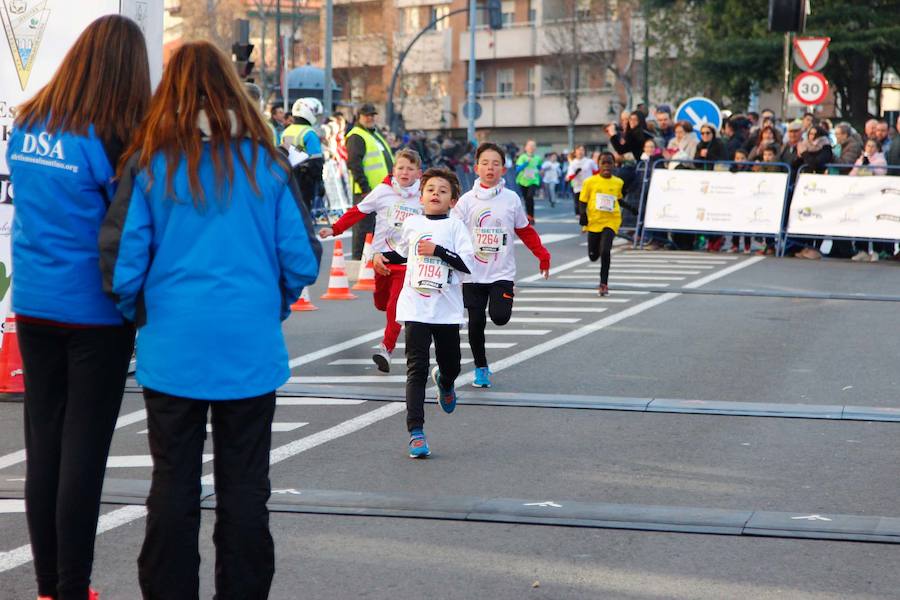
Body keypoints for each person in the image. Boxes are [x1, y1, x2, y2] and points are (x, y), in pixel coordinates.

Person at [99, 41, 322, 599]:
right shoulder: (266, 164)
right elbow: (301, 258)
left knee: (172, 483)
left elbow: (121, 265)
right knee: (245, 488)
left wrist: (142, 314)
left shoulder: (151, 163)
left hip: (171, 347)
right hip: (249, 347)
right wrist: (271, 305)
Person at [5, 15, 150, 600]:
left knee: (43, 445)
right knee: (83, 451)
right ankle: (72, 587)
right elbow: (131, 226)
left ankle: (47, 586)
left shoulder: (30, 120)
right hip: (94, 309)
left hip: (34, 302)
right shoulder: (116, 134)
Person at [376, 168, 474, 458]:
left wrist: (440, 251)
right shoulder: (413, 223)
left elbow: (468, 264)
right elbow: (406, 253)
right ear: (421, 197)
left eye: (443, 191)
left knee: (452, 364)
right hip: (416, 307)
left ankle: (445, 382)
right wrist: (382, 257)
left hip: (446, 310)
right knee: (416, 368)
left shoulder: (456, 227)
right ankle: (416, 432)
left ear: (453, 201)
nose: (435, 194)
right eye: (431, 189)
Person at [454, 142, 551, 388]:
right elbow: (451, 231)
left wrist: (542, 255)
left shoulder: (511, 199)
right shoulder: (466, 201)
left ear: (503, 170)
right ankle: (481, 368)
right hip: (472, 273)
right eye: (485, 163)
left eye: (495, 164)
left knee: (499, 317)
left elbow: (525, 231)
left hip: (501, 273)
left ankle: (503, 301)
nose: (490, 168)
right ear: (476, 168)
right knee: (476, 323)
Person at [320, 149, 423, 372]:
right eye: (401, 168)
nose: (405, 172)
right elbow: (358, 211)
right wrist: (335, 228)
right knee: (382, 303)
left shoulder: (423, 195)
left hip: (408, 263)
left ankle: (385, 348)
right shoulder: (383, 191)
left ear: (419, 173)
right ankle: (386, 319)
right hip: (381, 259)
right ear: (394, 170)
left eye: (410, 169)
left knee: (396, 307)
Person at [346, 103, 394, 259]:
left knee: (375, 228)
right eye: (367, 115)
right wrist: (364, 187)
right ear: (359, 116)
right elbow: (354, 164)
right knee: (363, 228)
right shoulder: (357, 135)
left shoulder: (373, 134)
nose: (370, 118)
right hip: (366, 191)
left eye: (372, 115)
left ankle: (370, 260)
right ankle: (359, 260)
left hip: (380, 190)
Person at [579, 153, 624, 296]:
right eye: (603, 163)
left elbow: (618, 199)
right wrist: (583, 215)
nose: (606, 166)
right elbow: (582, 201)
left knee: (605, 251)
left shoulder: (618, 182)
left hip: (611, 220)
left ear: (614, 165)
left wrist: (630, 208)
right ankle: (596, 249)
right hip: (594, 222)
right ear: (598, 165)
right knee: (593, 256)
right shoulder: (590, 182)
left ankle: (603, 283)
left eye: (609, 163)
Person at [281, 98, 324, 211]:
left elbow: (285, 152)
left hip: (288, 178)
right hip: (305, 181)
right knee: (304, 213)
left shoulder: (287, 131)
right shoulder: (309, 133)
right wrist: (320, 183)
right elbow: (316, 162)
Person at [515, 139, 543, 223]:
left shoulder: (538, 158)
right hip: (523, 181)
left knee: (530, 197)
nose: (531, 147)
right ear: (525, 147)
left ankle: (531, 216)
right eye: (529, 145)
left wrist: (541, 171)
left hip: (533, 180)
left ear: (535, 148)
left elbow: (539, 168)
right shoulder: (522, 157)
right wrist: (526, 163)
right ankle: (528, 215)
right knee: (526, 199)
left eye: (533, 145)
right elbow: (517, 169)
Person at [565, 145, 597, 216]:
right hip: (578, 187)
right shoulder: (573, 163)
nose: (580, 152)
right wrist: (576, 173)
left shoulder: (590, 162)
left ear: (584, 151)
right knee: (579, 204)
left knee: (590, 203)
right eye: (578, 150)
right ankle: (579, 215)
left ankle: (590, 215)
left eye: (582, 150)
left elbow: (596, 172)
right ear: (575, 152)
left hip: (589, 186)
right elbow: (569, 177)